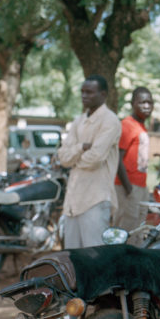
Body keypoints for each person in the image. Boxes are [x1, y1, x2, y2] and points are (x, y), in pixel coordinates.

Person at [57, 75, 121, 249]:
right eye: (82, 92)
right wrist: (81, 147)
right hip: (73, 201)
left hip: (95, 199)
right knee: (73, 258)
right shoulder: (78, 121)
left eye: (89, 92)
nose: (84, 96)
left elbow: (95, 159)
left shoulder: (110, 121)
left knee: (95, 258)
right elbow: (63, 158)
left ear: (103, 94)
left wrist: (74, 157)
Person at [113, 87, 153, 236]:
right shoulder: (127, 125)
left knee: (138, 229)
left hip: (140, 186)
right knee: (124, 230)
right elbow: (117, 158)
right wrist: (129, 189)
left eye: (150, 102)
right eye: (142, 102)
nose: (147, 106)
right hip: (127, 187)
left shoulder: (141, 126)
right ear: (132, 104)